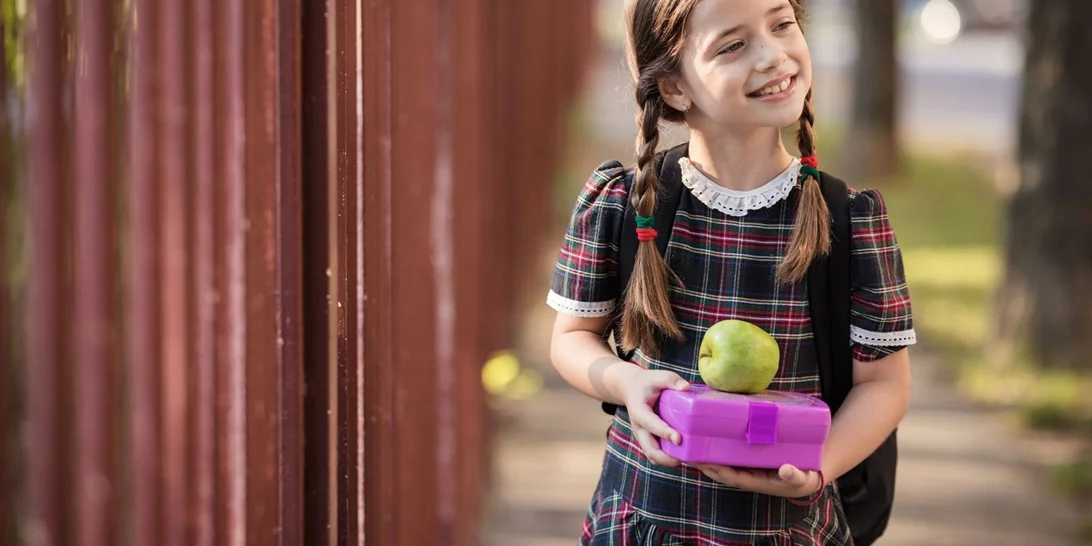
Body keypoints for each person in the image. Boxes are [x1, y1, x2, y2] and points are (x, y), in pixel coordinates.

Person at [546, 0, 916, 543]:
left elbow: (884, 385)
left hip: (786, 528)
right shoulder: (624, 205)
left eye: (781, 23)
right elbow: (572, 339)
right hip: (644, 519)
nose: (773, 54)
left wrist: (819, 468)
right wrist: (628, 382)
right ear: (674, 87)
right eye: (733, 44)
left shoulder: (850, 220)